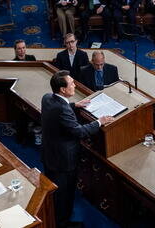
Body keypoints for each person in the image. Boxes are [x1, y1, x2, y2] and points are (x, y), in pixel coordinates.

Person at [41, 70, 112, 228]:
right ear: (63, 90)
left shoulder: (47, 98)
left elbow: (58, 109)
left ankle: (58, 219)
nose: (75, 85)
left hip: (49, 156)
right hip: (63, 163)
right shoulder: (63, 110)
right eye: (72, 83)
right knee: (64, 194)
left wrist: (74, 104)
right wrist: (99, 122)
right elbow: (79, 131)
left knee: (56, 194)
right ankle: (62, 224)